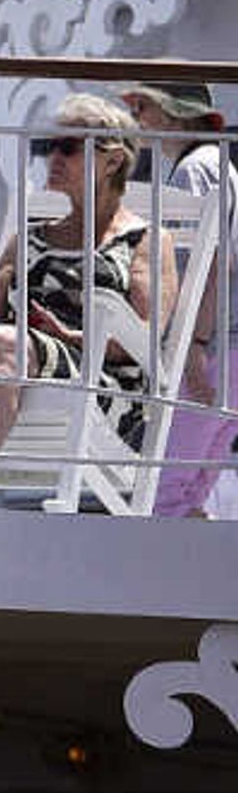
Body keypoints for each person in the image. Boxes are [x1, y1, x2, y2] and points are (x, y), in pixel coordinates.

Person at [0, 93, 182, 509]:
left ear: (113, 161)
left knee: (4, 343)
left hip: (95, 375)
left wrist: (66, 333)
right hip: (17, 356)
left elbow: (143, 339)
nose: (53, 157)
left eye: (68, 147)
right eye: (49, 147)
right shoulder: (28, 237)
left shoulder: (145, 242)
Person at [124, 82, 232, 518]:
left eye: (142, 106)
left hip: (215, 346)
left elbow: (208, 263)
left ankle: (161, 584)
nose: (136, 119)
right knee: (189, 492)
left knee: (165, 490)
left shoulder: (194, 171)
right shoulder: (220, 165)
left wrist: (195, 346)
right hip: (229, 347)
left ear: (173, 114)